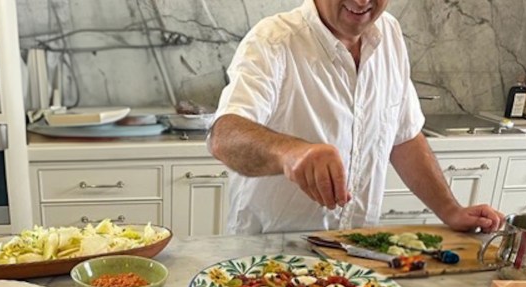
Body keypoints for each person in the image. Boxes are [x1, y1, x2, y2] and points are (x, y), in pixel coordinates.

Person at [209, 0, 504, 234]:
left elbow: (405, 137)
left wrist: (450, 210)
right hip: (271, 254)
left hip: (354, 252)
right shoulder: (273, 40)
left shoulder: (389, 35)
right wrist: (289, 153)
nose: (363, 1)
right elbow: (225, 137)